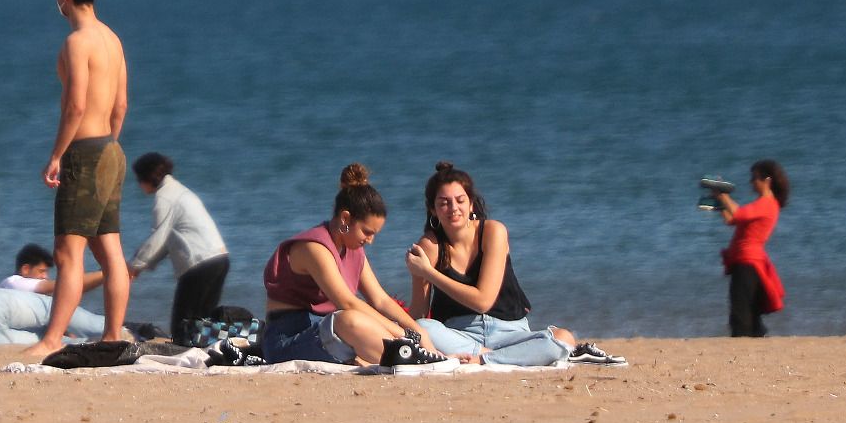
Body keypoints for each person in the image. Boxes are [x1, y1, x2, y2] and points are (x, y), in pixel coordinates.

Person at [21, 0, 130, 361]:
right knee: (110, 250)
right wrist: (110, 147)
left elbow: (76, 106)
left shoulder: (76, 42)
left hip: (84, 152)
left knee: (68, 252)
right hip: (111, 150)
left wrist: (57, 155)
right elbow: (120, 105)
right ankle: (113, 333)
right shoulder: (112, 39)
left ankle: (52, 339)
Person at [406, 161, 618, 366]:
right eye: (444, 202)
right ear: (432, 209)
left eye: (460, 200)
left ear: (471, 202)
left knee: (564, 338)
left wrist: (430, 273)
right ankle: (495, 355)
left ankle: (485, 358)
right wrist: (418, 275)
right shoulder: (430, 246)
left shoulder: (492, 232)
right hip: (458, 334)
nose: (453, 208)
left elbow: (483, 302)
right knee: (422, 327)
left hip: (509, 332)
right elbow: (418, 315)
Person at [261, 163, 453, 370]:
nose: (370, 241)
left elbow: (380, 299)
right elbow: (347, 302)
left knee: (418, 326)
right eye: (367, 232)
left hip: (325, 333)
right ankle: (407, 355)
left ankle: (412, 354)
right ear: (345, 219)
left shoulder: (353, 248)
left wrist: (416, 330)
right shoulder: (314, 248)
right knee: (351, 318)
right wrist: (406, 334)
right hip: (288, 340)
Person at [126, 152, 230, 345]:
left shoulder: (165, 197)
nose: (138, 185)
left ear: (146, 178)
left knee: (182, 326)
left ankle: (195, 354)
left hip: (200, 263)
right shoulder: (180, 191)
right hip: (219, 258)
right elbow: (166, 241)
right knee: (202, 321)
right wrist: (141, 264)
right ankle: (210, 351)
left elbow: (158, 239)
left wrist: (134, 265)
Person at [711, 159, 790, 337]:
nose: (751, 182)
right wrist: (720, 202)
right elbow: (732, 220)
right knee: (749, 310)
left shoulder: (767, 204)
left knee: (741, 311)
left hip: (748, 263)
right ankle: (756, 339)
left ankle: (744, 345)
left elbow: (739, 213)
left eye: (754, 178)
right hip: (748, 263)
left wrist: (724, 195)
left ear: (767, 181)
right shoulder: (763, 205)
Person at [0, 243, 105, 295]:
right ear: (25, 269)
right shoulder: (12, 282)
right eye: (41, 271)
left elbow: (72, 290)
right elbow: (64, 286)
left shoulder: (29, 292)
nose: (45, 276)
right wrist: (107, 273)